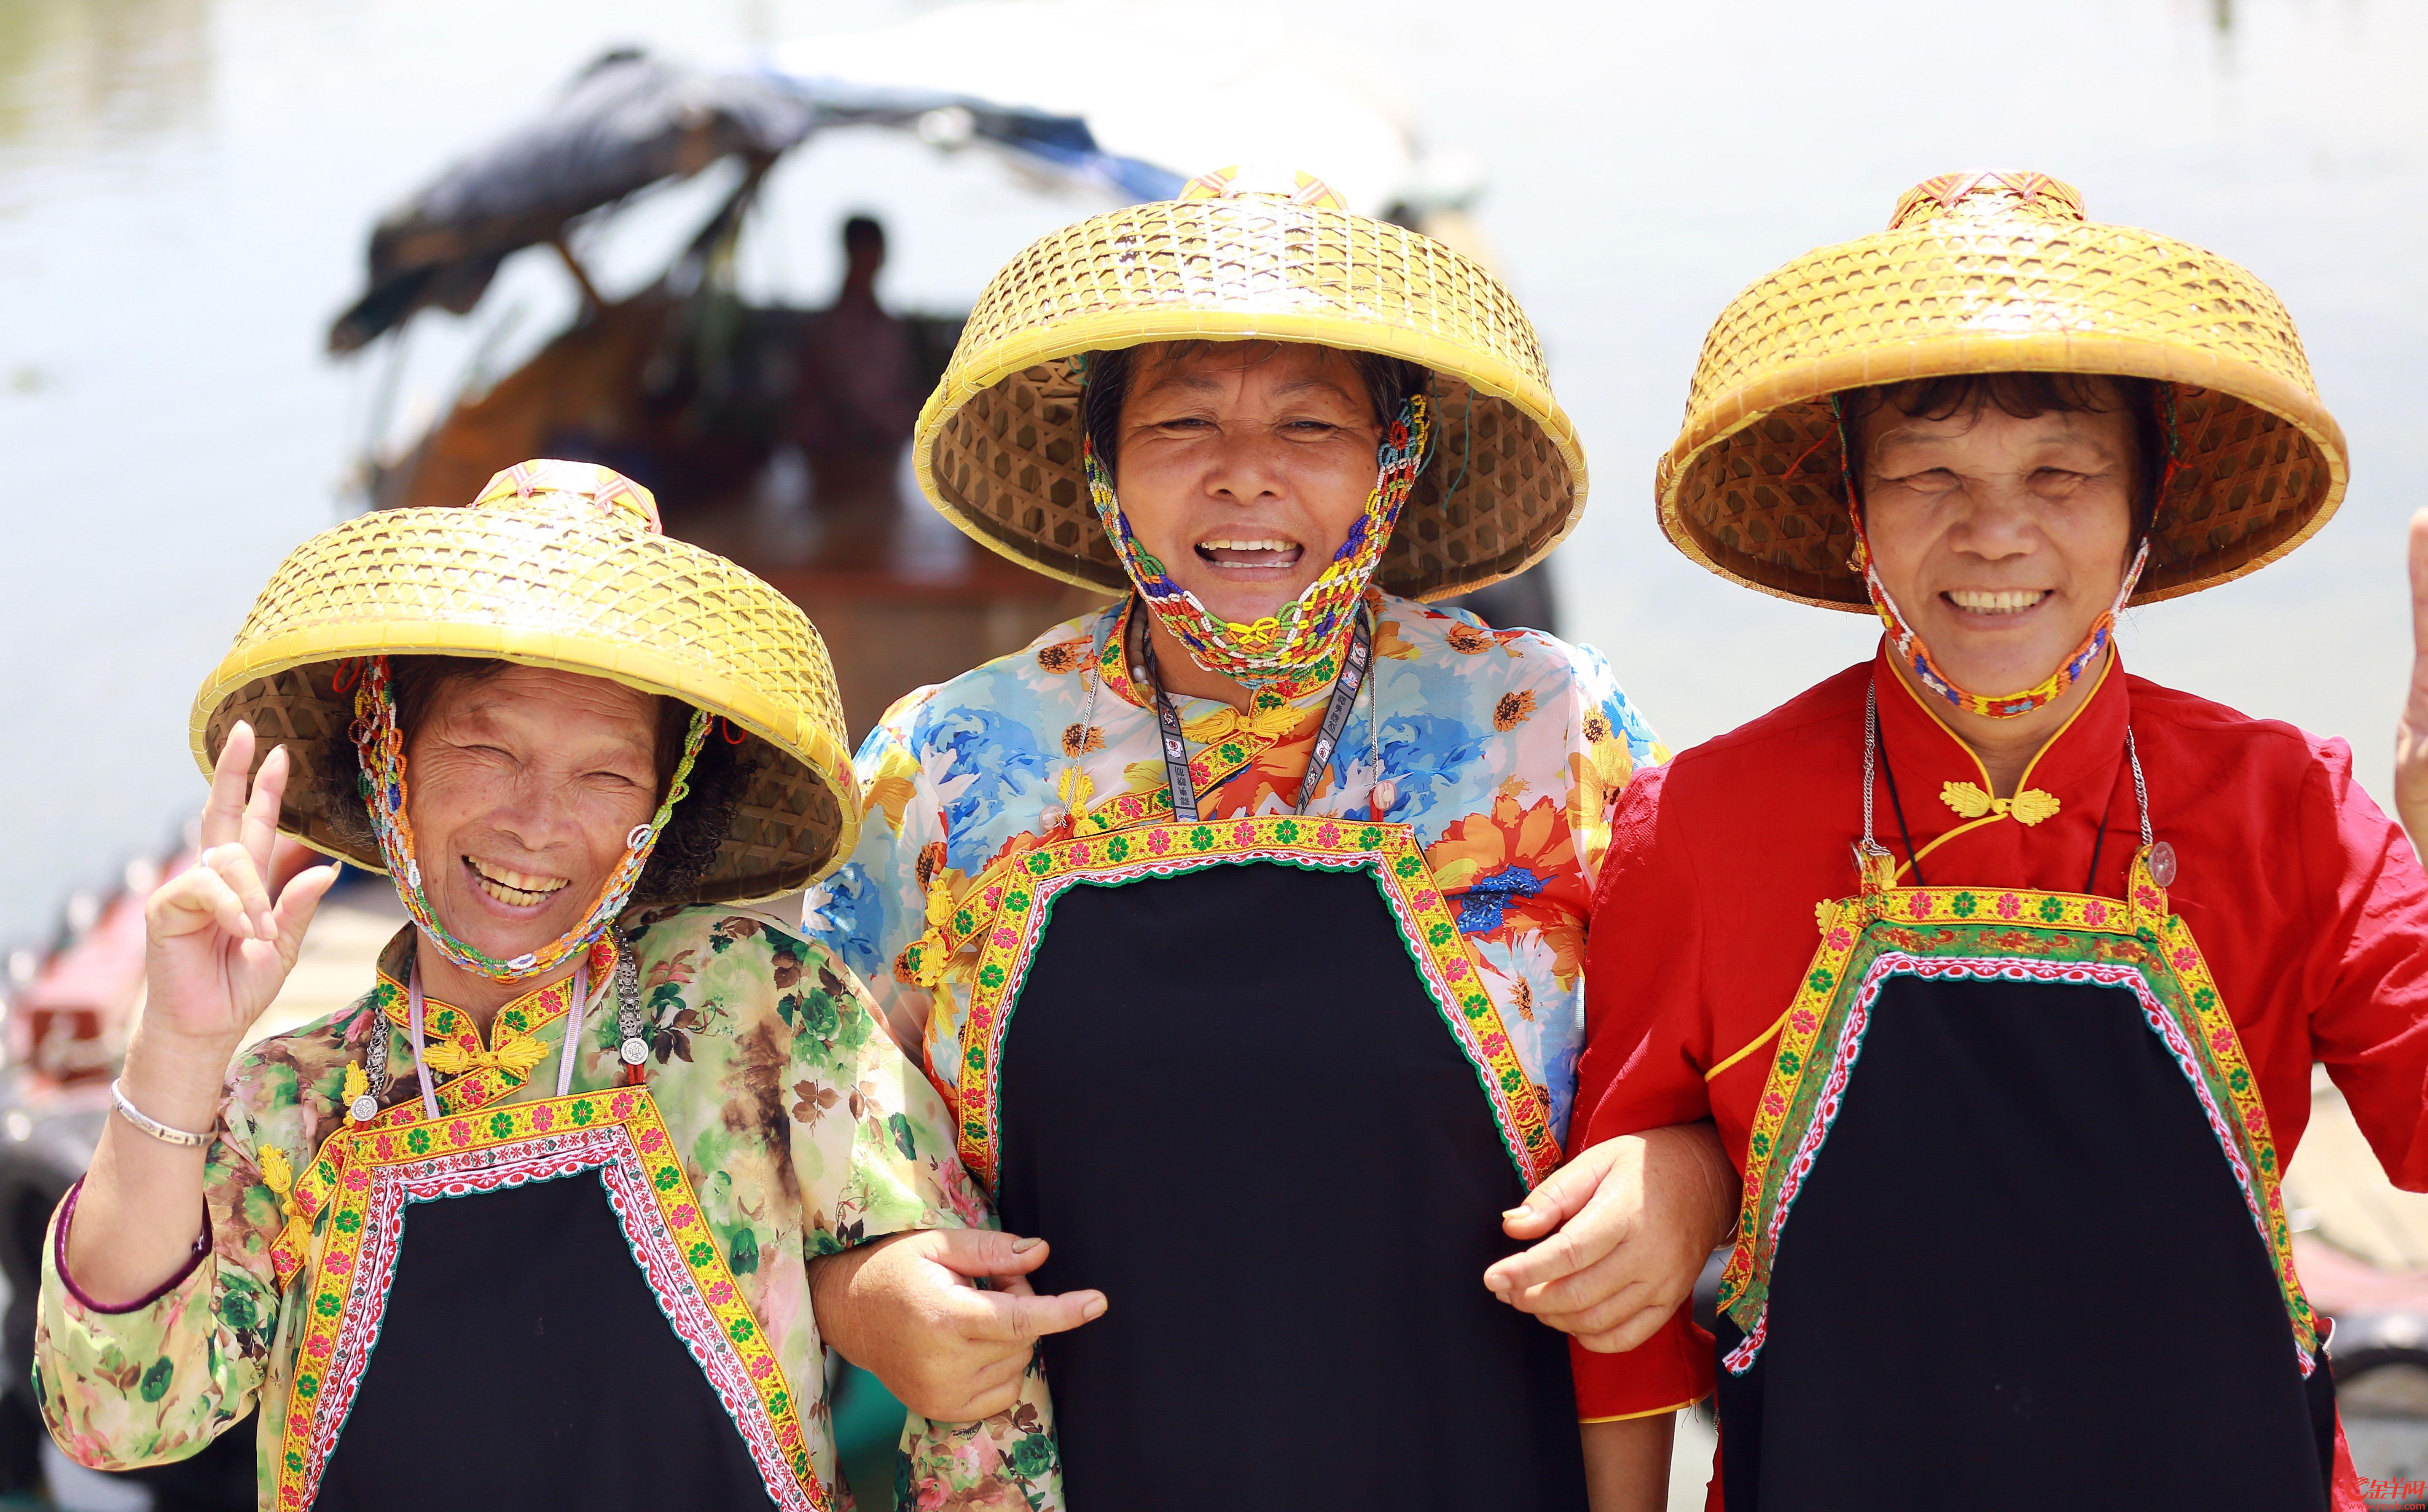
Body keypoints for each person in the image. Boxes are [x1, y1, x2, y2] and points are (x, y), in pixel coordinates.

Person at [800, 165, 1734, 1510]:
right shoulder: (944, 770)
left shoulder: (1549, 727)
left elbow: (1726, 1072)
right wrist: (864, 1290)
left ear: (1393, 459)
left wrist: (1687, 1177)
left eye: (1311, 421)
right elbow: (800, 1138)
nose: (1247, 472)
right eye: (1183, 419)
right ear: (1104, 464)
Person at [1569, 170, 2428, 1511]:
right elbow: (1611, 1296)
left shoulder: (2292, 810)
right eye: (1928, 475)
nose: (1996, 531)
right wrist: (1678, 1175)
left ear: (2152, 499)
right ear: (1851, 505)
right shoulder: (1705, 822)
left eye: (2061, 472)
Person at [34, 461, 1063, 1511]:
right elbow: (116, 1415)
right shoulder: (292, 1103)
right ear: (390, 752)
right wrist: (177, 1050)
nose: (535, 820)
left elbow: (981, 1381)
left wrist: (893, 1305)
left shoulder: (758, 1007)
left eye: (605, 773)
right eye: (488, 746)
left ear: (661, 806)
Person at [789, 214, 926, 520]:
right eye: (869, 252)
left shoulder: (887, 325)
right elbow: (850, 397)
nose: (874, 261)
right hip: (837, 458)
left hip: (880, 454)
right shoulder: (833, 327)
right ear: (853, 254)